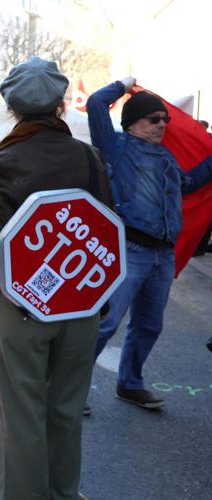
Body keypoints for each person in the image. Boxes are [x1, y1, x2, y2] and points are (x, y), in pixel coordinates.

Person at [0, 57, 113, 500]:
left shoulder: (3, 162)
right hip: (83, 301)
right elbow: (106, 227)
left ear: (12, 109)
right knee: (67, 410)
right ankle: (64, 493)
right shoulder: (88, 157)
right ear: (60, 105)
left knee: (21, 414)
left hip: (23, 305)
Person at [87, 78, 212, 409]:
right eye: (153, 119)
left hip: (162, 255)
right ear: (132, 122)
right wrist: (123, 85)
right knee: (106, 324)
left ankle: (129, 383)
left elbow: (190, 183)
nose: (161, 124)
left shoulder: (167, 158)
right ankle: (70, 390)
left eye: (164, 119)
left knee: (149, 325)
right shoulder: (116, 147)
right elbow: (96, 104)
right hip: (129, 250)